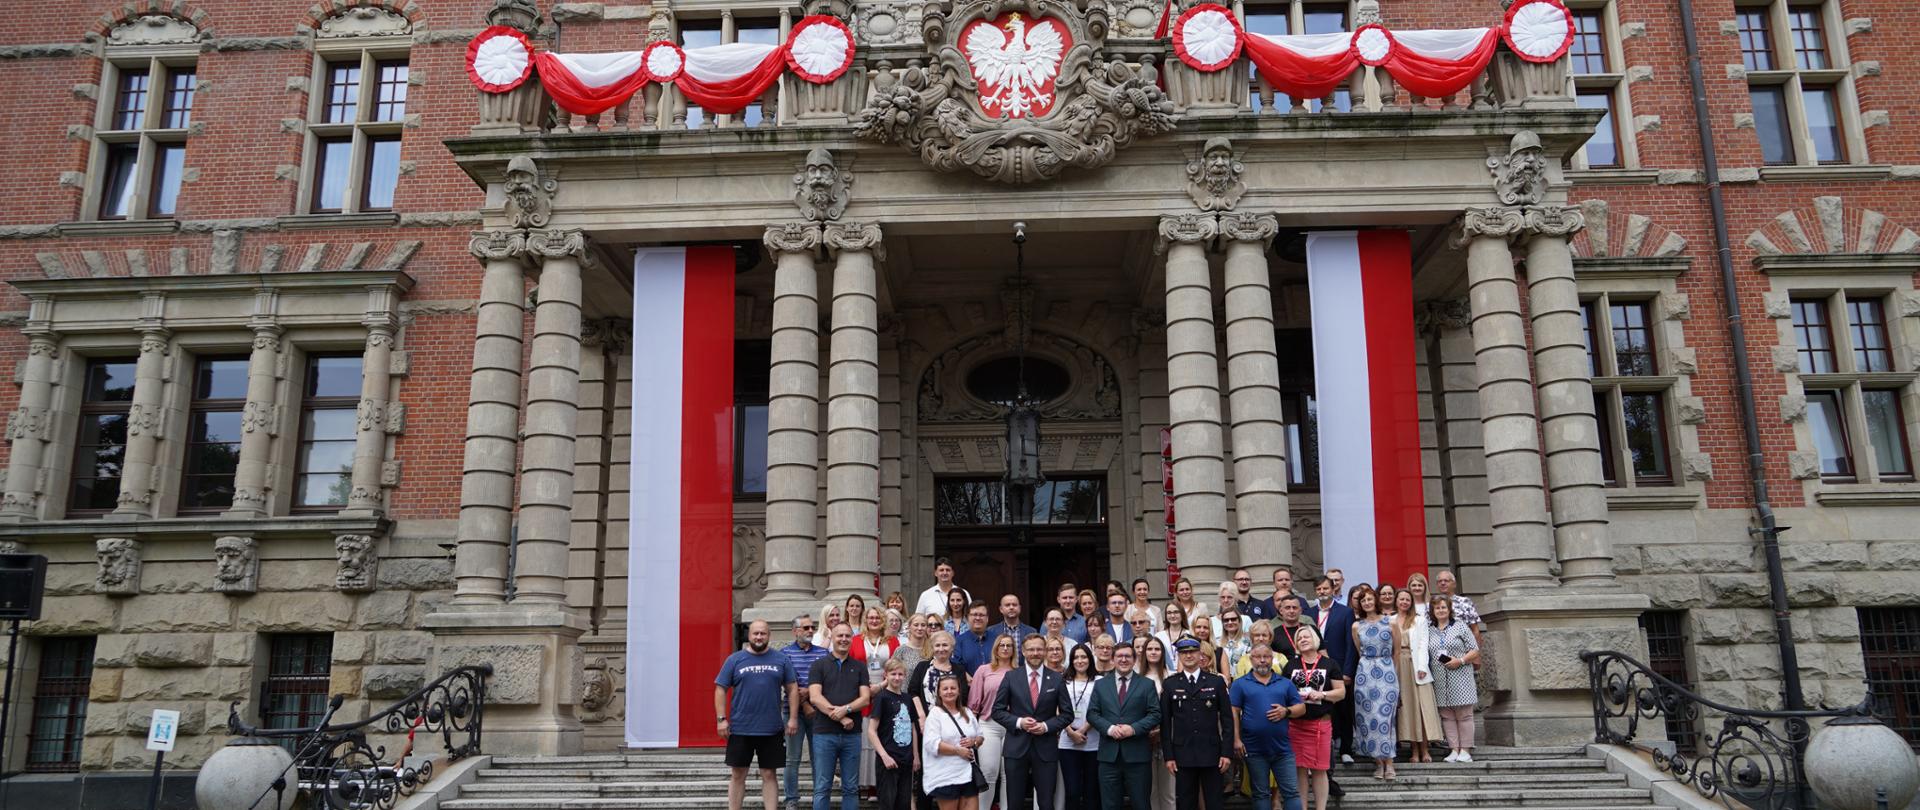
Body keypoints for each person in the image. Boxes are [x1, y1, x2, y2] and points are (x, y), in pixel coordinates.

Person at [718, 620, 801, 810]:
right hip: (740, 727)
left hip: (771, 728)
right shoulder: (735, 659)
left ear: (768, 635)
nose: (759, 637)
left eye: (763, 633)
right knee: (738, 773)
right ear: (749, 636)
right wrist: (721, 719)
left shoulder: (781, 659)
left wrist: (793, 718)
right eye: (755, 633)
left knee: (769, 774)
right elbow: (720, 688)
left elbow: (792, 688)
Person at [995, 634, 1071, 810]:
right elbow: (997, 711)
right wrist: (1019, 722)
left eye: (1039, 649)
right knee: (1014, 802)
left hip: (1046, 748)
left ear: (1044, 651)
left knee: (1045, 803)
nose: (1035, 653)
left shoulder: (1057, 678)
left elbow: (1067, 715)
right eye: (1031, 649)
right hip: (1016, 747)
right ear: (1023, 651)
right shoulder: (1011, 677)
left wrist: (1046, 726)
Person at [1230, 643, 1305, 810]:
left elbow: (1301, 708)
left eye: (1267, 656)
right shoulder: (1240, 684)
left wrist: (1286, 711)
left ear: (1273, 658)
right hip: (1254, 749)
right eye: (1258, 657)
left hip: (1282, 750)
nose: (1262, 660)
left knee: (1291, 792)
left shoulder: (1285, 683)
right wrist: (1236, 739)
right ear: (1251, 660)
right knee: (1260, 793)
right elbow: (1233, 712)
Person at [1160, 637, 1231, 810]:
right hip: (1182, 754)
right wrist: (1168, 756)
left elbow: (1227, 720)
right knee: (1185, 802)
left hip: (1212, 753)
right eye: (1184, 653)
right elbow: (1165, 724)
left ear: (1200, 654)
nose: (1188, 656)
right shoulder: (1170, 684)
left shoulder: (1216, 682)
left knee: (1215, 801)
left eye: (1192, 651)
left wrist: (1226, 753)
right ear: (1178, 656)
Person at [1090, 642, 1161, 810]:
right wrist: (1109, 729)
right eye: (1119, 656)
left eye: (1127, 656)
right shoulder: (1101, 685)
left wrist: (1133, 729)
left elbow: (1155, 714)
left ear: (1135, 659)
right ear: (1113, 659)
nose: (1123, 659)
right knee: (1110, 805)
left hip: (1137, 756)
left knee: (1141, 804)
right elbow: (1092, 714)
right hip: (1109, 757)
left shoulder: (1146, 684)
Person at [809, 624, 872, 810]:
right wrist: (840, 716)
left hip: (852, 735)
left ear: (852, 639)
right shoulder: (819, 665)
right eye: (839, 636)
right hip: (824, 734)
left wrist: (846, 709)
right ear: (833, 638)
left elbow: (865, 698)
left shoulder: (860, 667)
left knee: (851, 788)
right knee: (822, 787)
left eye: (847, 636)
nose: (843, 639)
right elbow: (815, 697)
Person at [1283, 625, 1344, 810]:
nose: (1302, 639)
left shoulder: (1329, 663)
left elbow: (1341, 692)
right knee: (1299, 769)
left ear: (1315, 640)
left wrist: (1323, 695)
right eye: (1299, 638)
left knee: (1319, 769)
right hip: (1296, 725)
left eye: (1306, 636)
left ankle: (1320, 808)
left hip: (1320, 724)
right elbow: (1284, 691)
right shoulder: (1291, 665)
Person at [1302, 578, 1357, 765]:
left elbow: (1351, 644)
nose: (1322, 591)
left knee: (1344, 709)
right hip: (1316, 668)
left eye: (1325, 588)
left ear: (1333, 589)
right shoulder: (1308, 613)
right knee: (1323, 708)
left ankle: (1346, 749)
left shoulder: (1346, 612)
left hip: (1340, 667)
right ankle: (1328, 747)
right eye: (1318, 588)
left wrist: (1348, 671)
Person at [1347, 586, 1398, 780]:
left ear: (1375, 601)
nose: (1367, 603)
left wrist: (1394, 676)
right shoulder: (1356, 626)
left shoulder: (1390, 623)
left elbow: (1396, 652)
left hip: (1387, 672)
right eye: (1363, 601)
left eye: (1369, 599)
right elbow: (1359, 651)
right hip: (1365, 673)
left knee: (1386, 717)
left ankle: (1390, 762)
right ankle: (1378, 762)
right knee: (1368, 718)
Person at [782, 614, 830, 810]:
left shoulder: (823, 653)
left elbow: (827, 681)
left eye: (812, 627)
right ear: (795, 631)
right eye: (806, 628)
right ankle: (791, 799)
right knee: (792, 758)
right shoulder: (784, 653)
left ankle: (818, 798)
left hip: (819, 713)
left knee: (818, 757)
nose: (811, 631)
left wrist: (808, 692)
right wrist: (803, 703)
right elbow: (787, 684)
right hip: (791, 713)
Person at [851, 607, 901, 791]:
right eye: (870, 618)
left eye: (877, 617)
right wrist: (865, 689)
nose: (874, 621)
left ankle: (878, 784)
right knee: (865, 738)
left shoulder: (893, 641)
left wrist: (880, 686)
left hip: (886, 690)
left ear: (883, 620)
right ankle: (862, 784)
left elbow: (897, 667)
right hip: (861, 693)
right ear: (866, 620)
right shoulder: (856, 640)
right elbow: (852, 667)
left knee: (883, 736)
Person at [967, 633, 1019, 808]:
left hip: (1013, 727)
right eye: (1001, 645)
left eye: (1008, 645)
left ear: (1013, 650)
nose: (1005, 648)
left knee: (1009, 774)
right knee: (989, 771)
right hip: (988, 725)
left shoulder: (1020, 671)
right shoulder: (984, 670)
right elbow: (974, 702)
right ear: (995, 649)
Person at [1391, 590, 1442, 764]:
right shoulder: (1389, 620)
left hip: (1417, 665)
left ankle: (1425, 749)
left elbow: (1423, 644)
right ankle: (1413, 750)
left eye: (1407, 599)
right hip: (1399, 666)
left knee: (1422, 708)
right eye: (1401, 599)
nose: (1404, 602)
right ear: (1396, 601)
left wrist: (1422, 666)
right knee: (1408, 709)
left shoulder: (1419, 620)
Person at [1429, 596, 1482, 763]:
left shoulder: (1460, 626)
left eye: (1443, 607)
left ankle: (1465, 750)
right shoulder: (1430, 629)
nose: (1441, 611)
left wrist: (1460, 660)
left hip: (1460, 676)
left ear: (1449, 609)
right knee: (1446, 715)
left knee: (1464, 715)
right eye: (1437, 608)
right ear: (1433, 611)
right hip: (1440, 679)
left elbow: (1474, 650)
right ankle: (1453, 749)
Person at [922, 674, 986, 810]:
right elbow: (931, 744)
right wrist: (958, 750)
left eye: (953, 688)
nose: (949, 691)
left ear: (959, 690)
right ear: (938, 692)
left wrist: (974, 742)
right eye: (945, 689)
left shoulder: (967, 712)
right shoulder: (935, 714)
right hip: (946, 776)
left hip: (968, 774)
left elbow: (980, 736)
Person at [1059, 644, 1104, 810]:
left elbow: (1100, 708)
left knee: (1092, 791)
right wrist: (1071, 732)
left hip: (1094, 742)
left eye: (1083, 657)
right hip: (1067, 741)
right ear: (1071, 661)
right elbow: (1058, 708)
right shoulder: (1063, 680)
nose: (1080, 661)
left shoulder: (1099, 681)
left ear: (1090, 659)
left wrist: (1083, 730)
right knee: (1072, 791)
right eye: (1076, 657)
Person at [868, 659, 917, 810]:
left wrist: (916, 755)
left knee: (904, 803)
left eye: (900, 674)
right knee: (888, 803)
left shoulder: (908, 698)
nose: (897, 677)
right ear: (885, 675)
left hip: (907, 759)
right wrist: (884, 756)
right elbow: (871, 730)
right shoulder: (881, 697)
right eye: (893, 674)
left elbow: (913, 727)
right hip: (888, 759)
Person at [1138, 637, 1175, 810]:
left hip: (1168, 736)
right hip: (1143, 737)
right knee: (1149, 788)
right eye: (1150, 649)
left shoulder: (1171, 676)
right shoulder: (1137, 677)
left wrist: (1161, 730)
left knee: (1168, 789)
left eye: (1157, 649)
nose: (1153, 652)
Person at [912, 631, 972, 724]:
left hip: (951, 720)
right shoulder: (922, 667)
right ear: (932, 648)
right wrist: (921, 715)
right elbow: (912, 692)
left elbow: (963, 696)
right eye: (937, 645)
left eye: (945, 645)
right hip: (925, 720)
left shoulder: (959, 669)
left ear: (952, 648)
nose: (941, 649)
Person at [1433, 569, 1485, 647]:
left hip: (1463, 650)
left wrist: (1475, 653)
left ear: (1454, 584)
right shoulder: (1432, 604)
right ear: (1437, 585)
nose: (1443, 583)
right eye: (1440, 581)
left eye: (1446, 581)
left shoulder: (1465, 602)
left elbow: (1475, 629)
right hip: (1438, 649)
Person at [954, 602, 994, 675]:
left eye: (981, 615)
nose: (978, 618)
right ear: (967, 618)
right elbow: (955, 665)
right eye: (974, 615)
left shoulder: (996, 639)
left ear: (987, 618)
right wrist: (965, 676)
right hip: (968, 685)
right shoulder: (959, 641)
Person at [1215, 608, 1250, 677]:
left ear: (1239, 621)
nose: (1230, 622)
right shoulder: (1216, 642)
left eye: (1233, 619)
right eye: (1226, 620)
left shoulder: (1249, 641)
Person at [1272, 595, 1305, 662]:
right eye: (1287, 608)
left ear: (1300, 610)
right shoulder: (1274, 634)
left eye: (1294, 608)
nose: (1291, 611)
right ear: (1281, 611)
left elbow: (1322, 653)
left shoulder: (1311, 630)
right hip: (1285, 671)